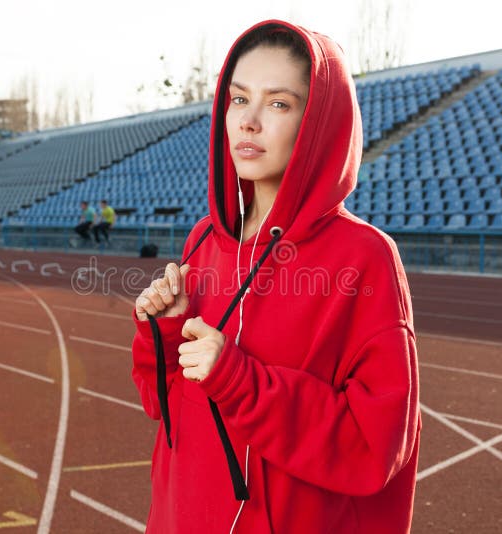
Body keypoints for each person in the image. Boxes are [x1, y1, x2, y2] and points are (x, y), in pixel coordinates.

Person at [131, 20, 420, 533]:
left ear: (318, 124)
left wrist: (238, 379)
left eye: (279, 104)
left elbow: (375, 448)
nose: (249, 122)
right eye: (239, 100)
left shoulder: (364, 257)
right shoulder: (203, 238)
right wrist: (167, 329)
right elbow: (165, 406)